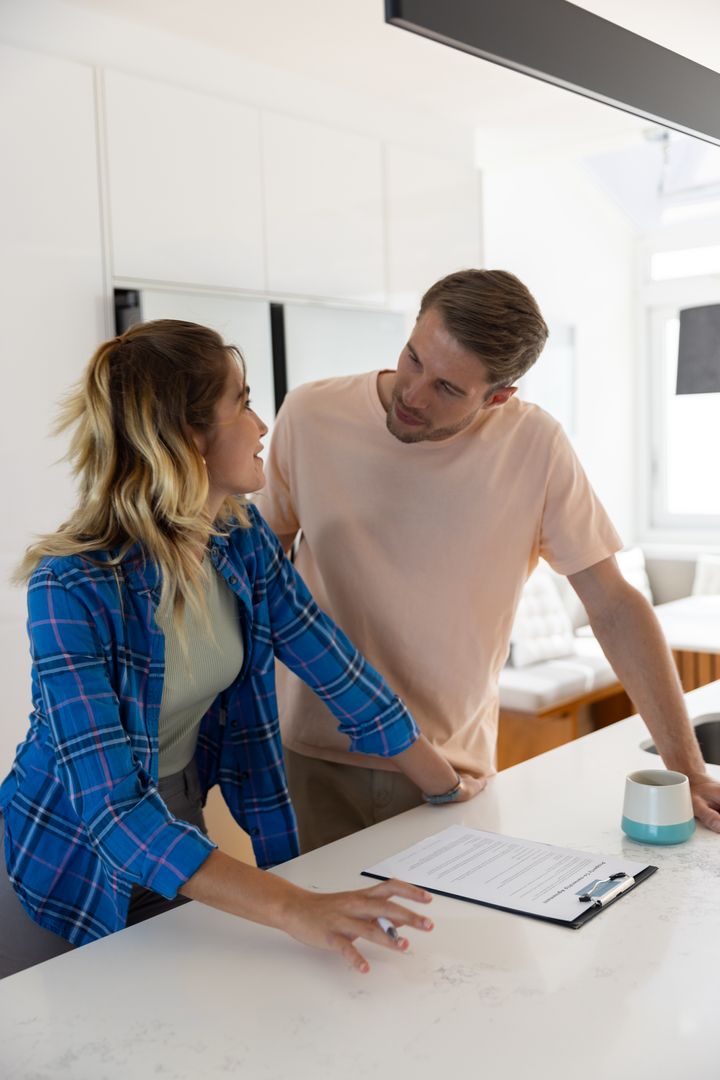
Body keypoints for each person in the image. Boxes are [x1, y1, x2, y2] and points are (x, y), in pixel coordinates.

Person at [0, 319, 484, 981]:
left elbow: (331, 661)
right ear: (187, 437)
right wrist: (296, 909)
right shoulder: (71, 586)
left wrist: (450, 792)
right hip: (69, 856)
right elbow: (113, 812)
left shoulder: (238, 536)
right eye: (244, 401)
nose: (262, 425)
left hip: (180, 824)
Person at [255, 268, 720, 852]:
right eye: (413, 358)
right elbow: (253, 573)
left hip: (453, 771)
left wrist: (689, 768)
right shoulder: (309, 414)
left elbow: (613, 603)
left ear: (499, 397)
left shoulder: (536, 445)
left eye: (449, 388)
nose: (414, 394)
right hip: (310, 755)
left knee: (454, 941)